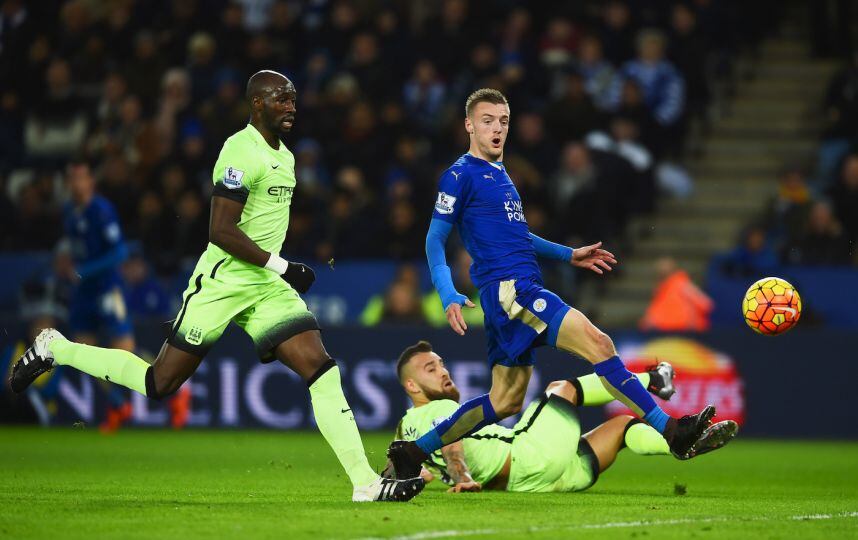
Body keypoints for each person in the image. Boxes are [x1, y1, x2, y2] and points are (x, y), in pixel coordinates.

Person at [10, 70, 423, 503]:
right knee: (159, 382)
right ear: (257, 103)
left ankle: (365, 483)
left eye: (293, 100)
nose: (291, 107)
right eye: (281, 99)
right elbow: (220, 231)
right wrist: (284, 266)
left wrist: (275, 271)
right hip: (223, 281)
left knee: (321, 369)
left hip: (265, 286)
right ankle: (56, 348)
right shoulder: (239, 150)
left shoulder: (286, 156)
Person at [386, 88, 718, 481]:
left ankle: (413, 451)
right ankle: (671, 430)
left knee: (505, 401)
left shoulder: (500, 174)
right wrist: (447, 293)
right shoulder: (460, 175)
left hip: (509, 294)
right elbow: (434, 239)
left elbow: (518, 237)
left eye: (503, 121)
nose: (496, 129)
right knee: (599, 344)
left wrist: (567, 254)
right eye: (487, 121)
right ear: (469, 125)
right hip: (513, 291)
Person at [389, 341, 737, 493]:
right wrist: (462, 476)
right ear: (411, 385)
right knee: (562, 388)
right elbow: (452, 445)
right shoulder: (440, 409)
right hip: (528, 456)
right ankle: (654, 380)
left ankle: (679, 446)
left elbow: (400, 467)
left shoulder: (406, 432)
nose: (443, 371)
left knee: (622, 426)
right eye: (430, 369)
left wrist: (393, 482)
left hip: (531, 485)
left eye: (441, 364)